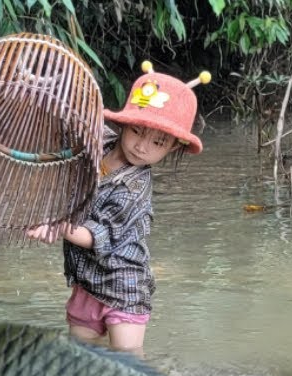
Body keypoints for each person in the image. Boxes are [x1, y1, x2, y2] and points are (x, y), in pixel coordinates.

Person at [28, 62, 210, 355]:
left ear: (173, 148)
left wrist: (57, 226)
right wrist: (46, 89)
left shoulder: (133, 189)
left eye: (158, 142)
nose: (142, 146)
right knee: (82, 358)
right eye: (137, 131)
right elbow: (77, 120)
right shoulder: (101, 144)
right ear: (123, 124)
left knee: (128, 365)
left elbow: (94, 236)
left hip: (124, 287)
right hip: (87, 280)